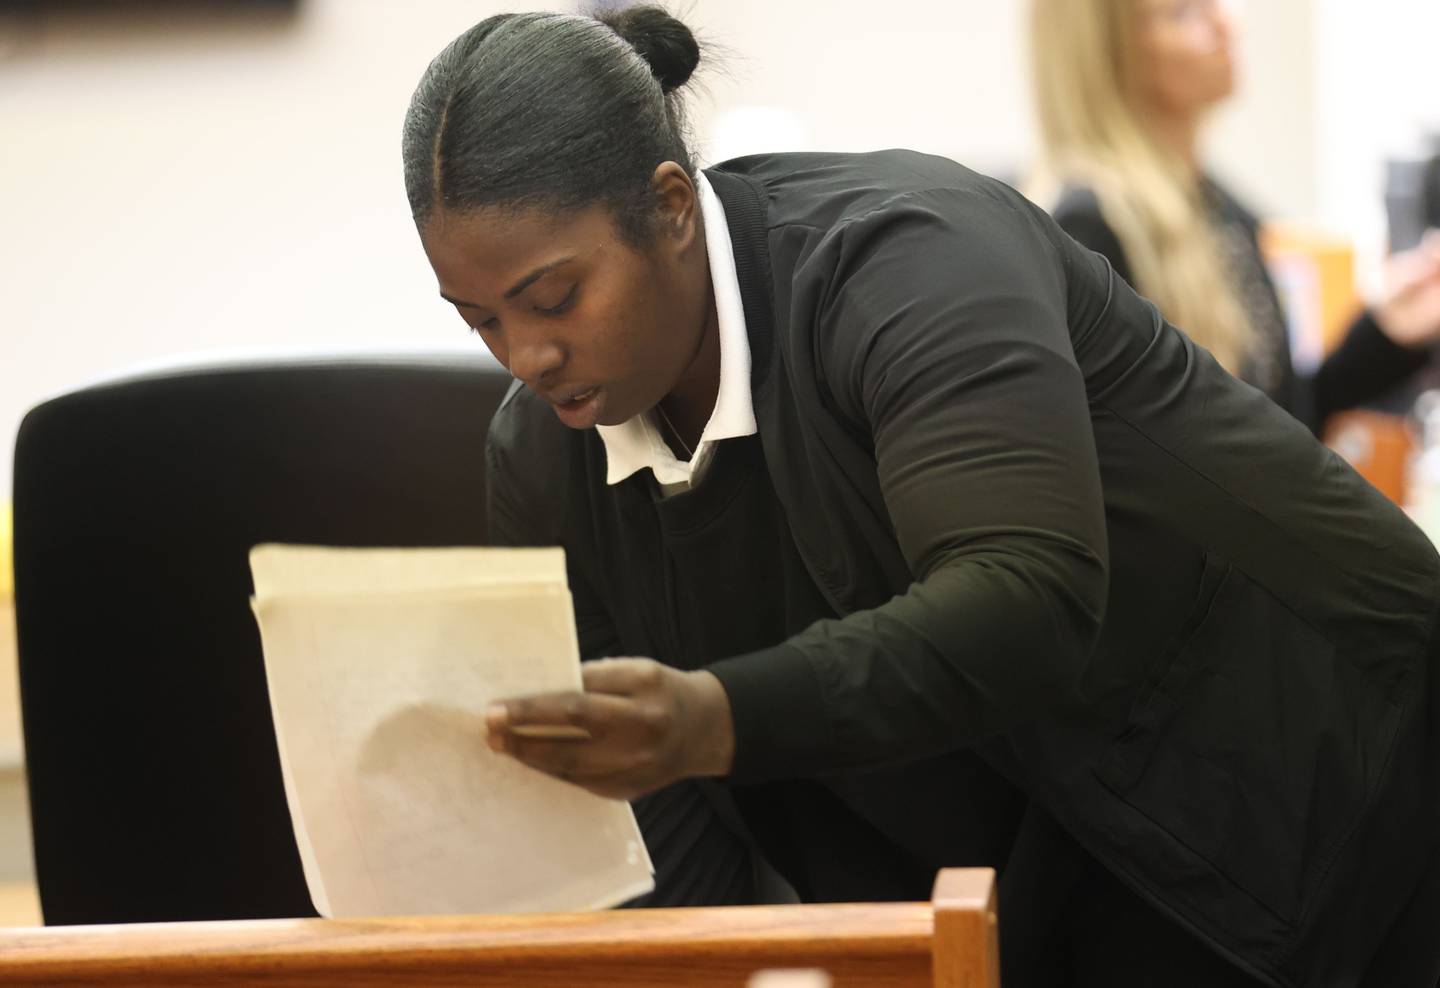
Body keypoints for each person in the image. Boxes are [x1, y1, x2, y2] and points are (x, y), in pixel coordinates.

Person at [402, 8, 1440, 986]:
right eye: (479, 319)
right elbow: (658, 823)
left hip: (1350, 782)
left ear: (671, 207)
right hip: (1065, 883)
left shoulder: (907, 259)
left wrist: (714, 715)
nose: (527, 354)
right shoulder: (544, 458)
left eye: (554, 297)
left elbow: (1024, 595)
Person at [1029, 0, 1440, 434]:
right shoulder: (1095, 230)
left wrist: (1385, 331)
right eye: (1184, 13)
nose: (1228, 23)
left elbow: (1274, 430)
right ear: (1111, 53)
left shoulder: (1216, 209)